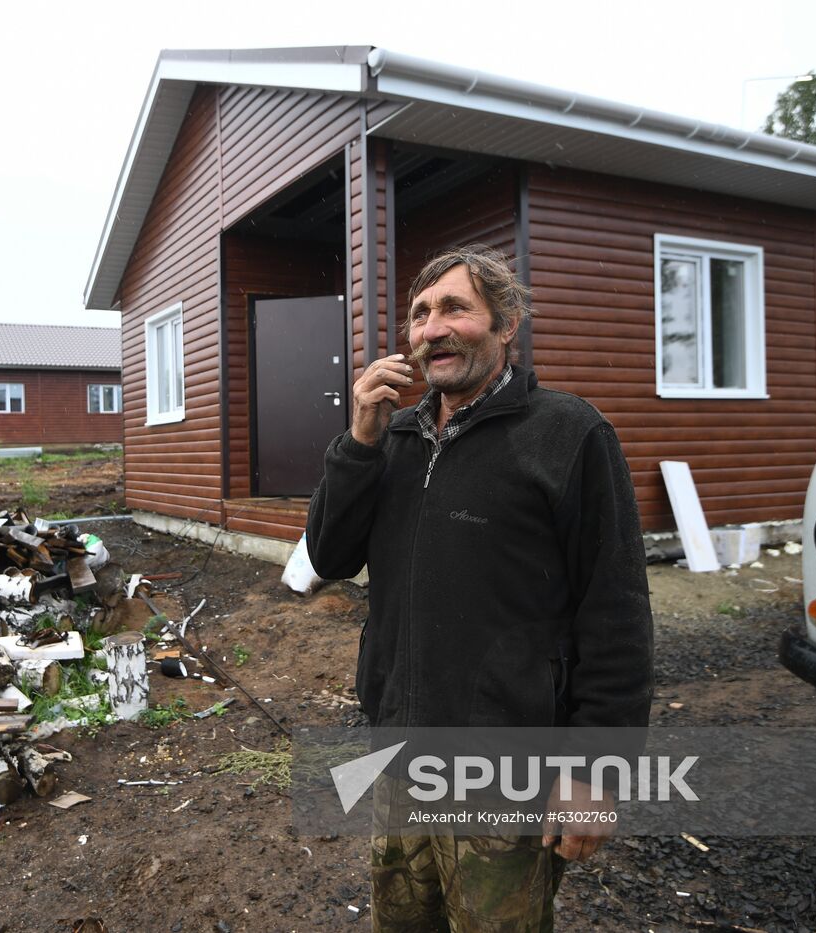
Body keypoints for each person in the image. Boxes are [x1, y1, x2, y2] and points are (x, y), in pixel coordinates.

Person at [305, 245, 653, 932]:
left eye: (454, 308)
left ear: (507, 323)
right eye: (419, 314)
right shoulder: (394, 436)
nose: (432, 328)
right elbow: (330, 554)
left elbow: (615, 613)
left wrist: (593, 774)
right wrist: (359, 442)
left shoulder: (568, 434)